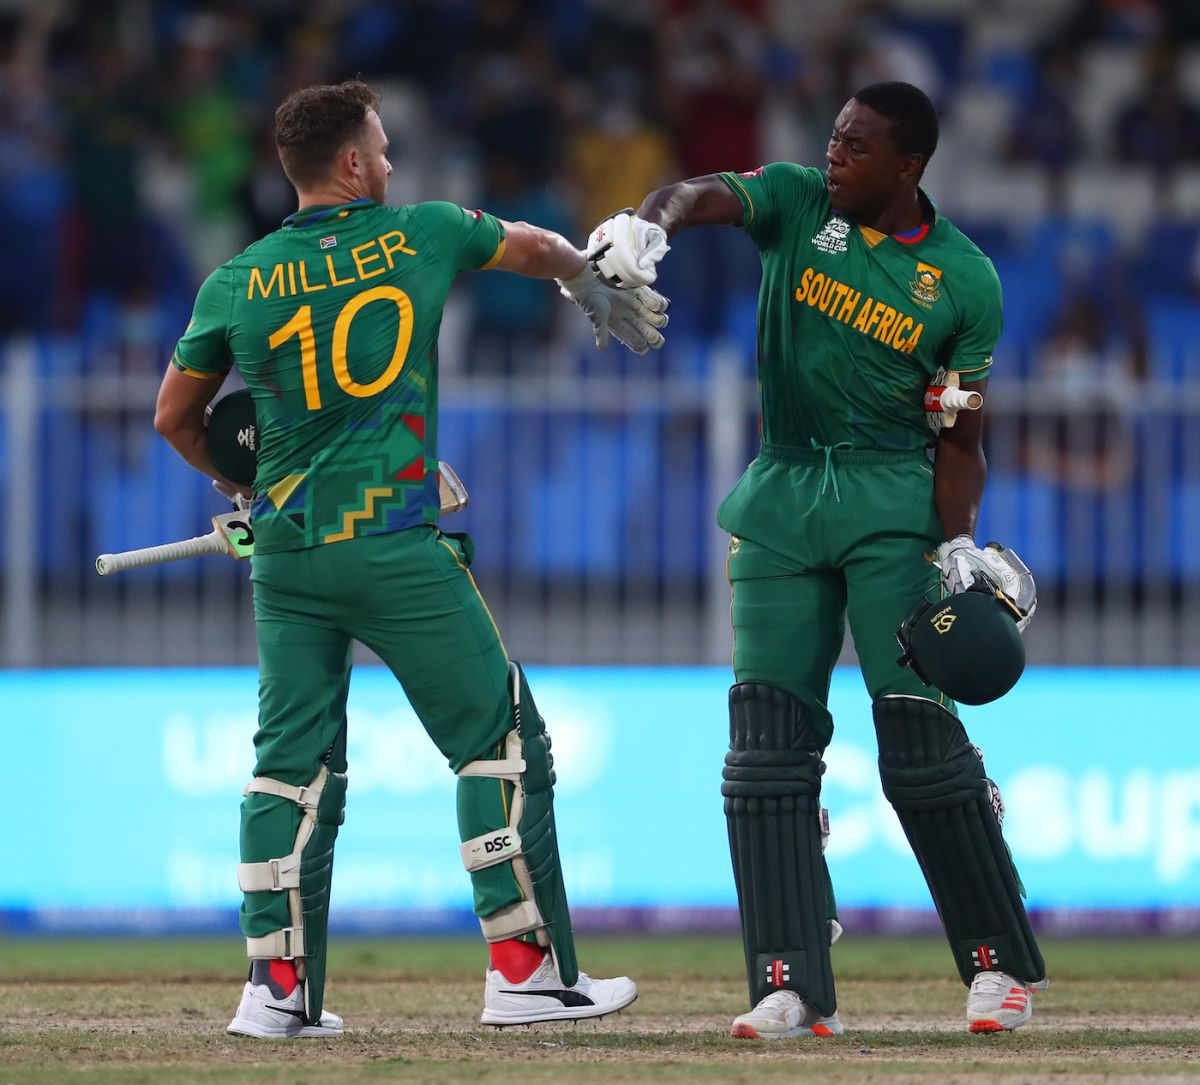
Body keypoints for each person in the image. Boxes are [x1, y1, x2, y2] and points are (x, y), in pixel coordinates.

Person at [153, 79, 667, 1039]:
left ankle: (274, 992)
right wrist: (585, 278)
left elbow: (177, 418)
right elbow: (529, 244)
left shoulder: (235, 280)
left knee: (289, 772)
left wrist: (244, 494)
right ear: (351, 163)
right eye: (382, 149)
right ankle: (525, 971)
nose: (391, 163)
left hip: (292, 558)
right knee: (501, 740)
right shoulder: (425, 231)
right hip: (393, 544)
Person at [585, 81, 1046, 1037]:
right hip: (783, 498)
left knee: (920, 747)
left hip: (892, 505)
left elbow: (958, 435)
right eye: (833, 138)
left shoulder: (964, 280)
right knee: (764, 757)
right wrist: (648, 224)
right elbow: (705, 192)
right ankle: (789, 980)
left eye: (856, 146)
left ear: (909, 165)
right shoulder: (799, 203)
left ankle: (998, 967)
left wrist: (957, 541)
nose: (832, 156)